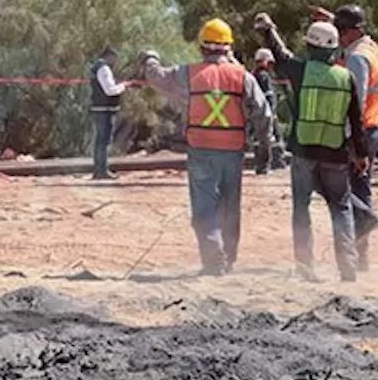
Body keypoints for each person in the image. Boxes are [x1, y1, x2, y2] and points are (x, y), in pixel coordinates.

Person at [138, 18, 272, 276]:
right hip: (233, 151)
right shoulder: (242, 76)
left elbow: (156, 77)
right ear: (228, 48)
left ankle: (213, 258)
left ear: (202, 48)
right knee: (229, 206)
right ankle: (229, 259)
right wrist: (264, 148)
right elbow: (263, 114)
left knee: (204, 206)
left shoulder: (188, 73)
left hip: (201, 150)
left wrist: (150, 59)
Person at [253, 12, 373, 282]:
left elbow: (281, 56)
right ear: (333, 48)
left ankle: (306, 267)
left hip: (304, 151)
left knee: (301, 208)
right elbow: (357, 121)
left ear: (310, 46)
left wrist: (269, 29)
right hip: (336, 154)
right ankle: (348, 268)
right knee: (341, 208)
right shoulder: (346, 78)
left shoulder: (301, 70)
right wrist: (361, 154)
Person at [332, 4, 378, 271]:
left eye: (341, 31)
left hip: (360, 133)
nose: (338, 36)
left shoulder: (357, 59)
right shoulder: (371, 48)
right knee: (360, 190)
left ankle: (360, 239)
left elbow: (356, 103)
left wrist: (354, 145)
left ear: (352, 31)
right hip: (373, 130)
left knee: (340, 189)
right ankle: (361, 257)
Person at [89, 47, 127, 180]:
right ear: (109, 56)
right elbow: (110, 90)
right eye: (114, 57)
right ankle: (101, 171)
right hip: (104, 109)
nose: (115, 61)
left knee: (101, 141)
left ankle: (99, 170)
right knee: (103, 141)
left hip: (100, 109)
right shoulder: (104, 69)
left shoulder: (97, 67)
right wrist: (123, 86)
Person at [252, 48, 286, 174]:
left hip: (256, 114)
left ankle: (262, 165)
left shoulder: (253, 75)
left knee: (260, 139)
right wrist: (272, 112)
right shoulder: (264, 76)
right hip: (267, 113)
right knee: (273, 138)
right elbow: (268, 95)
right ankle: (276, 163)